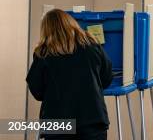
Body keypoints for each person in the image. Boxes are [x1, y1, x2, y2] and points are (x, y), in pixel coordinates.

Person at [26, 9, 114, 140]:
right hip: (93, 120)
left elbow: (37, 91)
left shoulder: (43, 53)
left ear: (46, 30)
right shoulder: (92, 45)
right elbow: (106, 79)